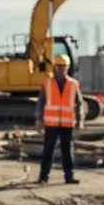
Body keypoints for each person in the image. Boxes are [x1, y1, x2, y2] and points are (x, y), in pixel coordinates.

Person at [35, 53, 83, 184]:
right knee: (48, 150)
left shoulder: (74, 84)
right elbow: (40, 102)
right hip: (51, 124)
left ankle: (69, 177)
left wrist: (80, 120)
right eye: (59, 67)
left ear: (68, 68)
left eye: (64, 67)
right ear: (55, 67)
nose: (62, 69)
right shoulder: (47, 83)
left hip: (67, 124)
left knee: (67, 151)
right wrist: (38, 119)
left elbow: (79, 103)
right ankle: (43, 177)